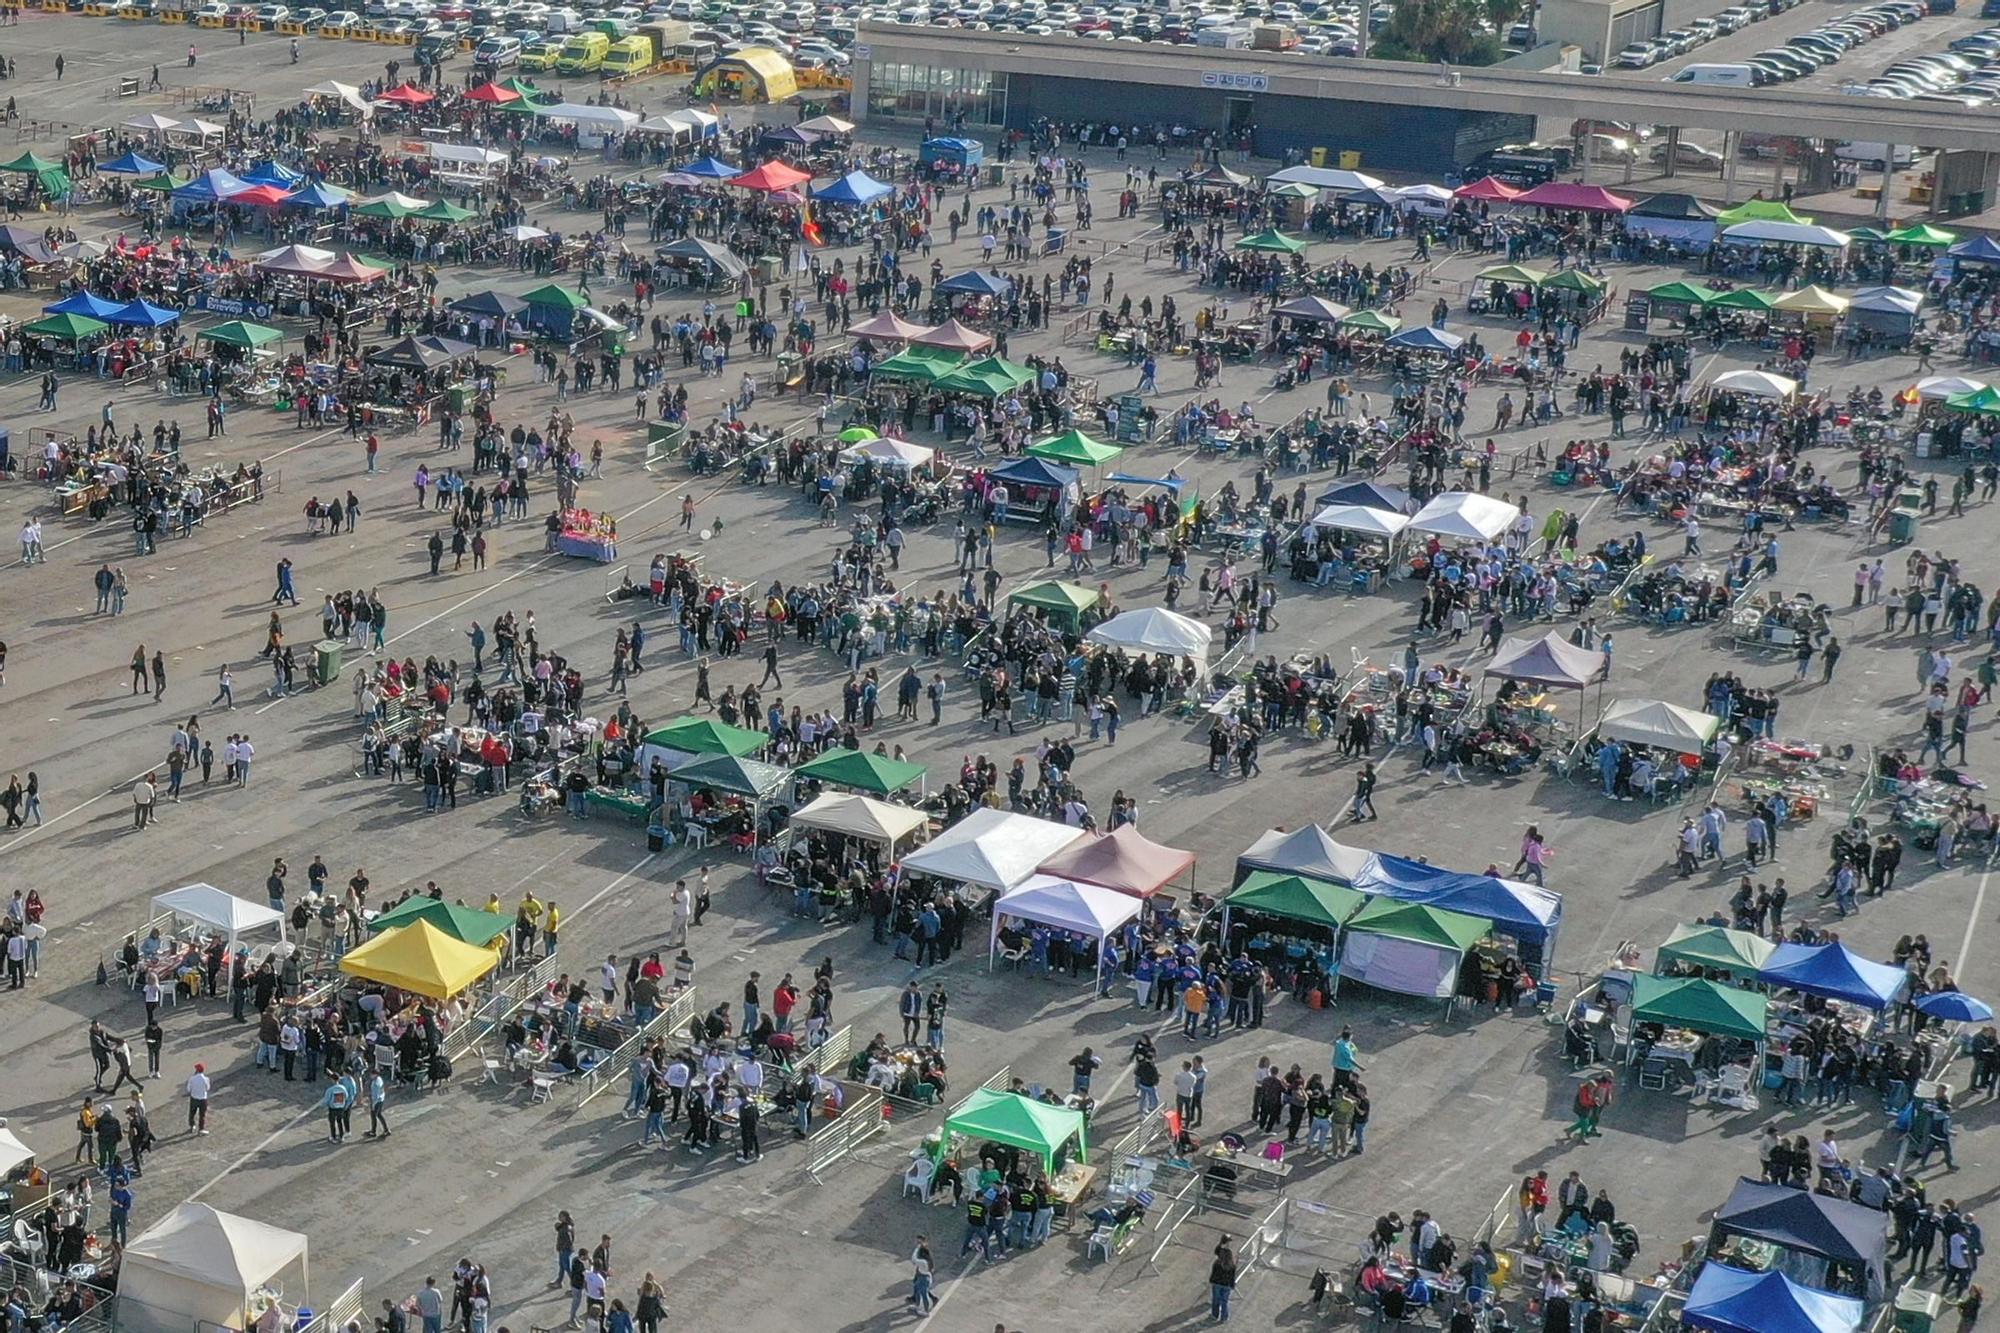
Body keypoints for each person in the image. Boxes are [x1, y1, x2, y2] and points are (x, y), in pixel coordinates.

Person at [1209, 1238, 1238, 1322]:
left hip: (1217, 1283)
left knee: (1216, 1300)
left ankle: (1215, 1315)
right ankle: (1224, 1317)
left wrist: (1221, 1243)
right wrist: (1232, 1285)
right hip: (1227, 1285)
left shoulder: (1217, 1263)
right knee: (1224, 1301)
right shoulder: (1232, 1266)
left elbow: (1213, 1273)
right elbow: (1232, 1276)